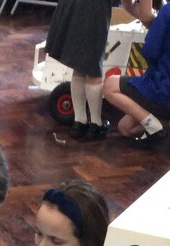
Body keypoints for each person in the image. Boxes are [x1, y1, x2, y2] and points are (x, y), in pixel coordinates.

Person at [103, 0, 170, 146]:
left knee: (110, 84)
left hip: (164, 90)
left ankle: (153, 126)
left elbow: (150, 51)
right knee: (125, 127)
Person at [44, 0, 120, 141]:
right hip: (95, 8)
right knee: (93, 69)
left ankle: (79, 123)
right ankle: (96, 124)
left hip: (73, 4)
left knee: (79, 64)